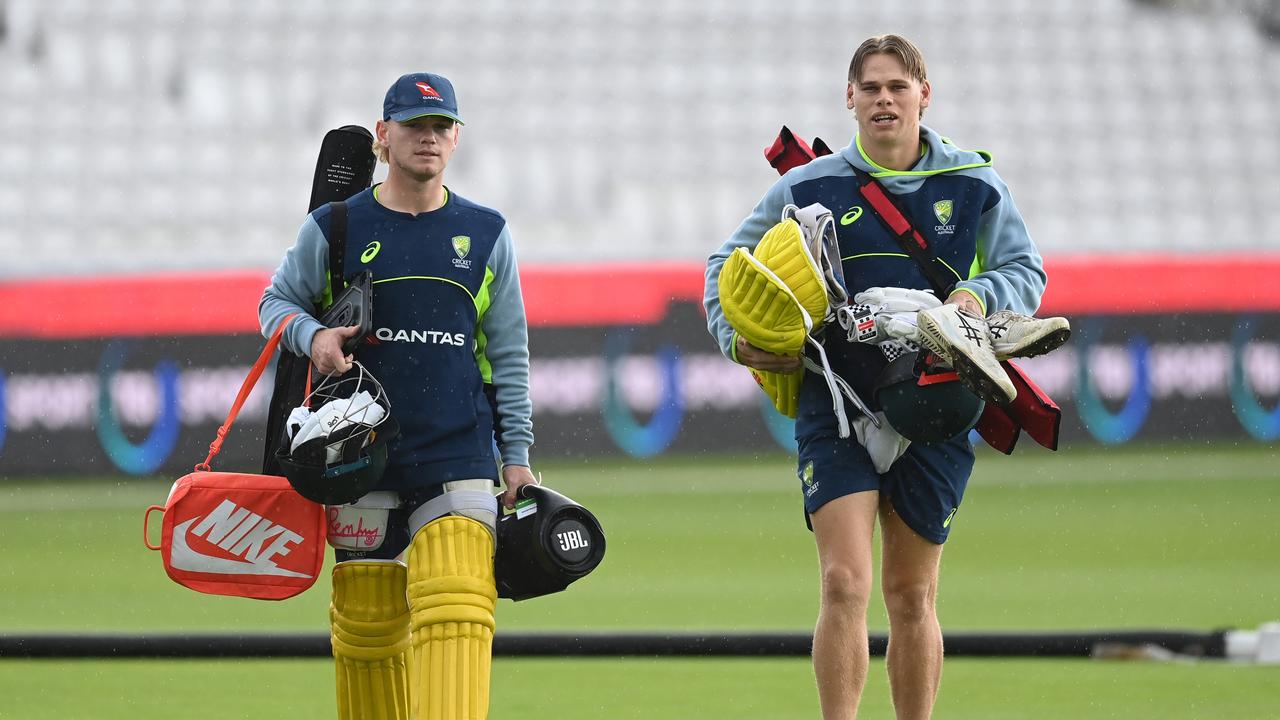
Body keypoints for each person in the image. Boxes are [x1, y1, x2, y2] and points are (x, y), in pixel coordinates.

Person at [704, 35, 1059, 719]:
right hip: (836, 402)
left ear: (925, 94)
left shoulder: (975, 184)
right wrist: (738, 340)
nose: (884, 99)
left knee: (911, 595)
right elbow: (726, 265)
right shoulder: (807, 185)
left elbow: (1027, 273)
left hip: (937, 402)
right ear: (850, 98)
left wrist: (972, 298)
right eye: (870, 88)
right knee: (842, 583)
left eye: (898, 87)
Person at [259, 71, 536, 720]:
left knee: (460, 608)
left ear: (457, 137)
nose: (429, 138)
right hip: (358, 457)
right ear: (384, 137)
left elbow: (507, 355)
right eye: (414, 126)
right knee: (367, 631)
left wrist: (516, 457)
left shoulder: (487, 233)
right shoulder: (335, 227)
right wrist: (312, 337)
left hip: (459, 455)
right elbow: (276, 304)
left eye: (441, 127)